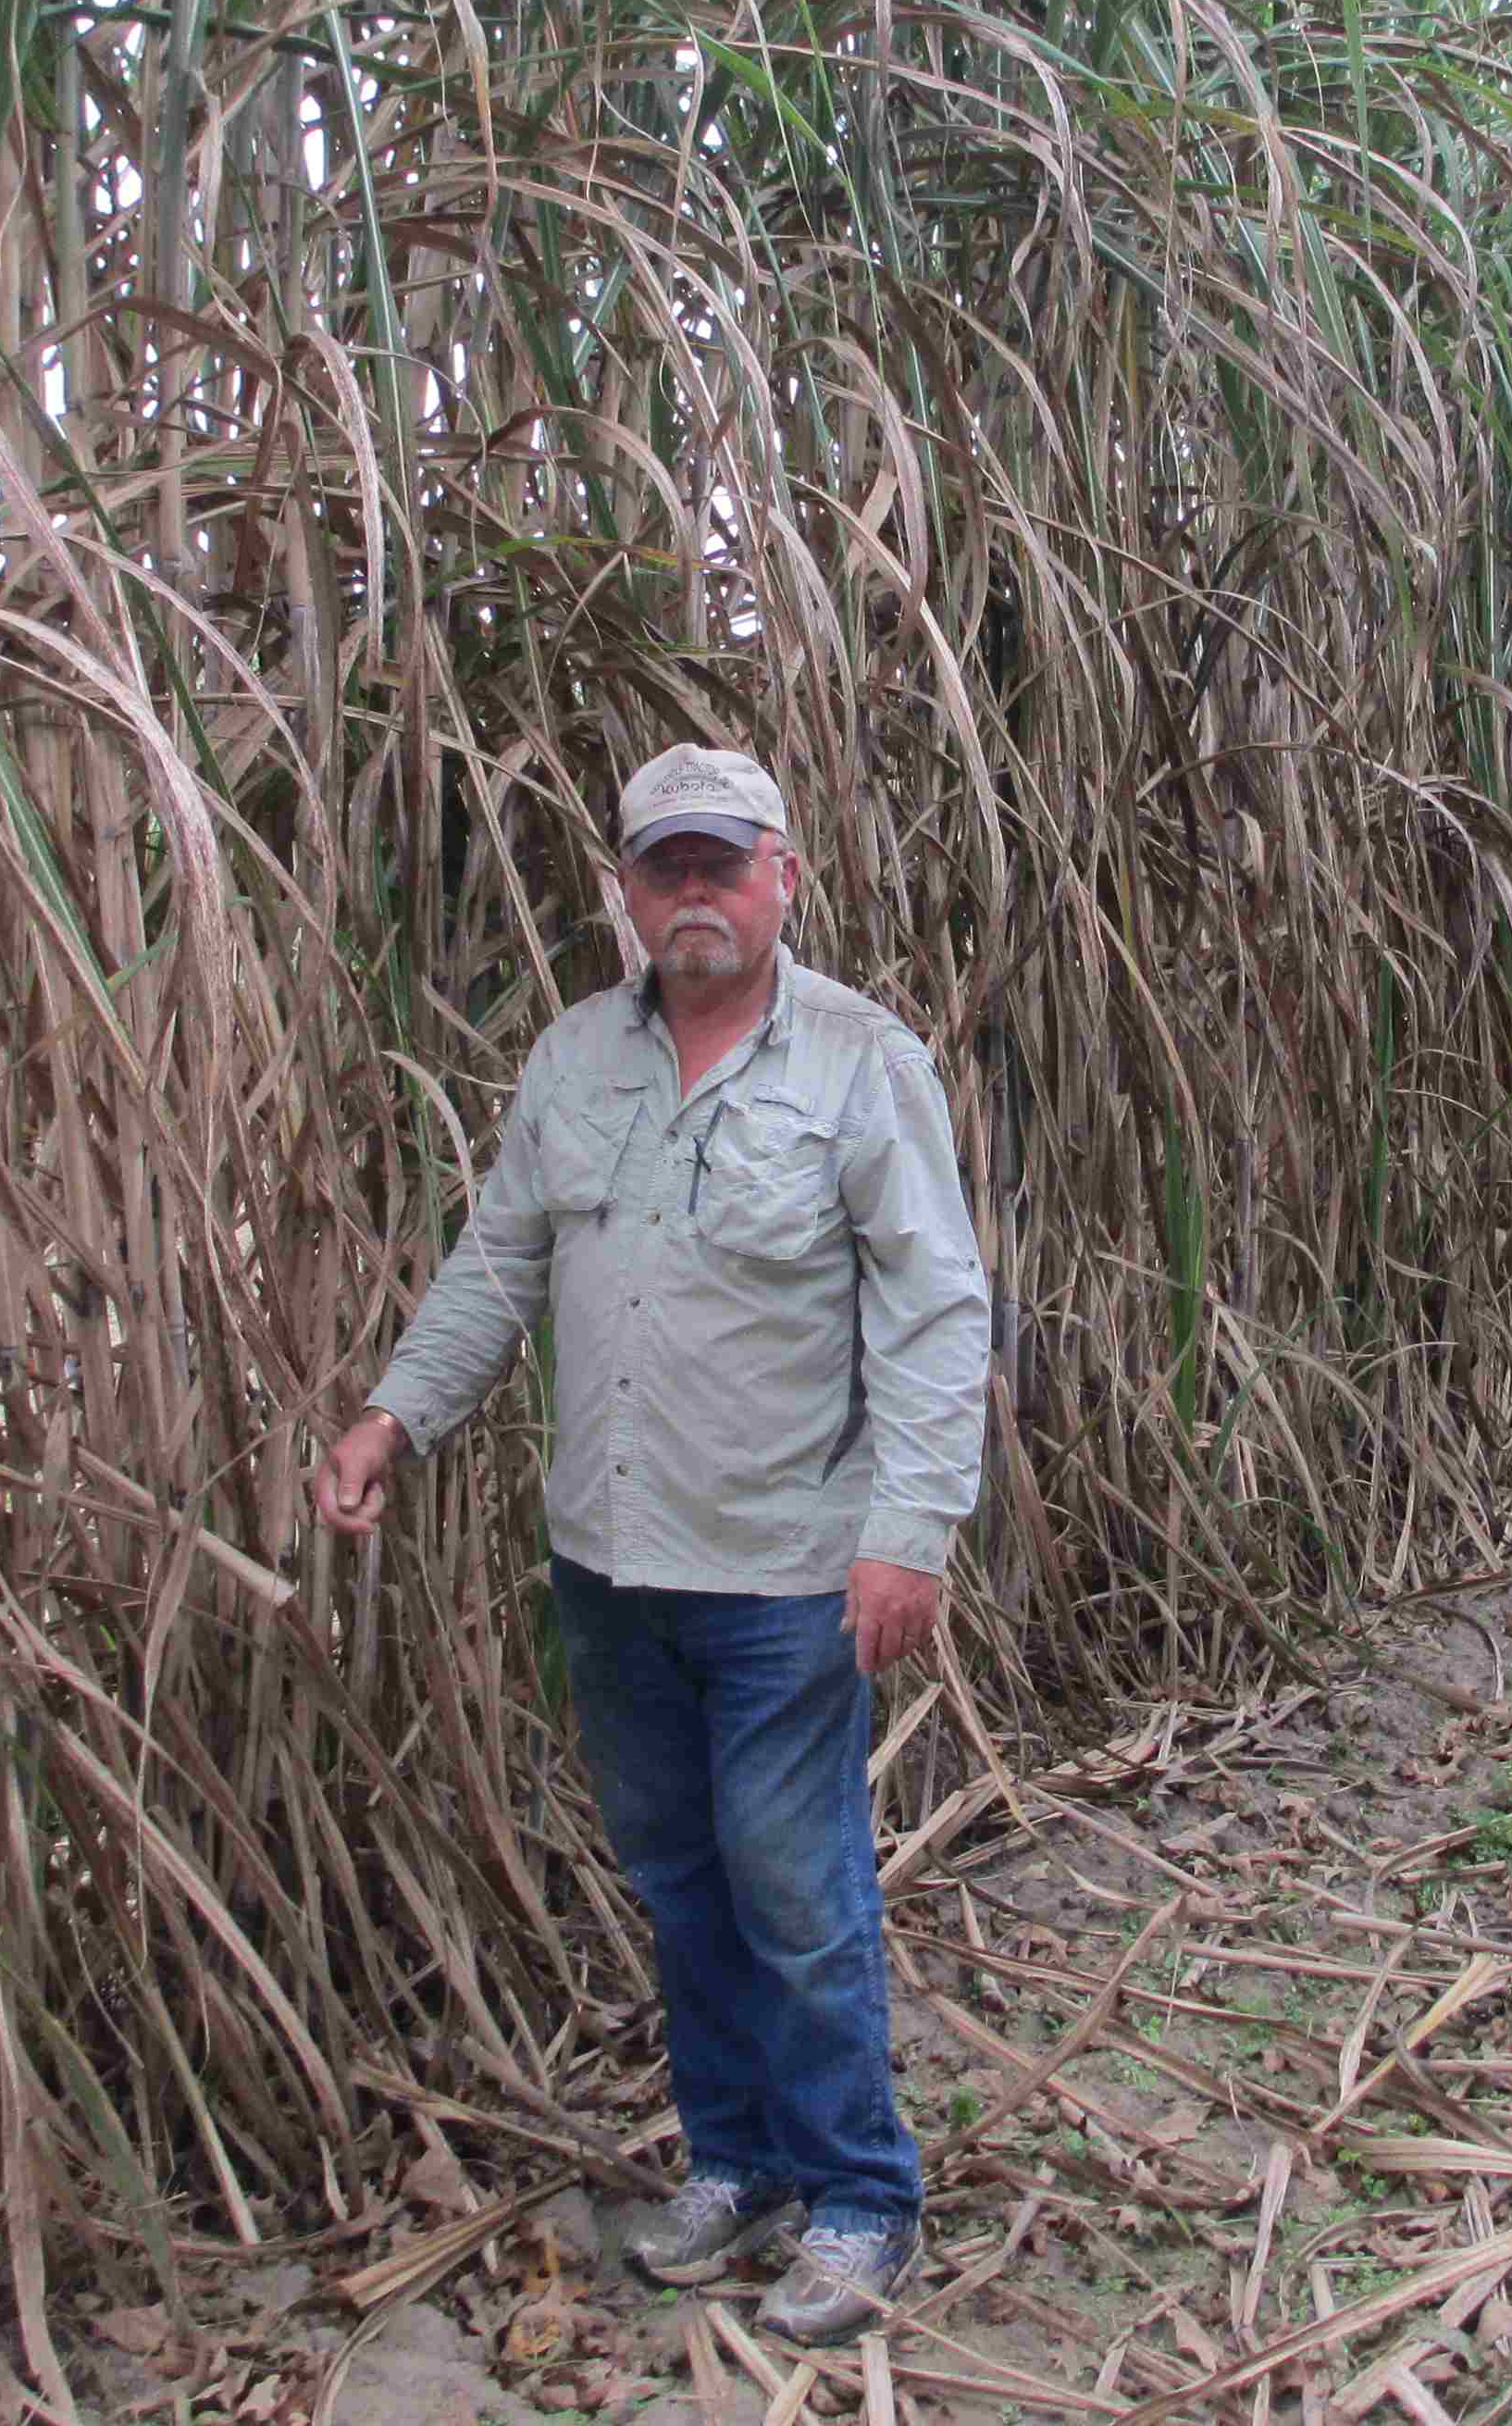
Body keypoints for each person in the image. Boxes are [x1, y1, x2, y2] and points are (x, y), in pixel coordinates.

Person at [308, 742, 993, 2347]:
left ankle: (859, 2197)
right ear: (625, 892)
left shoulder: (858, 1061)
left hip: (783, 1569)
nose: (694, 894)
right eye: (664, 868)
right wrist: (393, 1418)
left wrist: (911, 1531)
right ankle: (738, 2161)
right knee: (683, 1884)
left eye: (722, 864)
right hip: (609, 1568)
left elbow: (937, 1305)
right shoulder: (573, 1062)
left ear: (783, 879)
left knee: (795, 1887)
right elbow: (498, 1267)